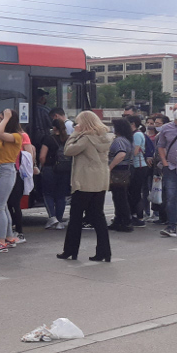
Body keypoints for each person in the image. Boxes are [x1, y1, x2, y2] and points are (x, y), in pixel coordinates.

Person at [58, 111, 112, 262]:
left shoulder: (85, 138)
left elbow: (68, 151)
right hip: (100, 181)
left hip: (84, 182)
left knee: (75, 217)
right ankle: (104, 251)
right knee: (98, 217)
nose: (76, 125)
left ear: (85, 123)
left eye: (78, 122)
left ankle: (70, 250)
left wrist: (74, 134)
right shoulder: (104, 137)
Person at [0, 109, 22, 253]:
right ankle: (9, 237)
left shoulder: (16, 136)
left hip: (7, 170)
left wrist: (6, 117)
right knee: (3, 206)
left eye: (1, 118)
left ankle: (1, 242)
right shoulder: (5, 137)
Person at [156, 102, 177, 238]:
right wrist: (164, 162)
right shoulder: (166, 128)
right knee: (171, 198)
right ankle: (171, 226)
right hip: (171, 168)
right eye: (176, 108)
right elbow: (161, 146)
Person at [39, 115, 70, 230]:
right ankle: (60, 220)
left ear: (54, 128)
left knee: (48, 194)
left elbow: (42, 156)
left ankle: (52, 218)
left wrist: (43, 166)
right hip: (65, 170)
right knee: (61, 196)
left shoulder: (49, 139)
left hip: (50, 169)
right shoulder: (67, 139)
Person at [108, 118, 134, 233]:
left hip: (118, 171)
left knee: (120, 198)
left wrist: (109, 167)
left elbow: (121, 154)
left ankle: (125, 221)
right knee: (119, 197)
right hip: (123, 171)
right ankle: (119, 220)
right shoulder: (126, 140)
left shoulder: (119, 141)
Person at [127, 115, 149, 226]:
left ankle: (139, 216)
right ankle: (133, 215)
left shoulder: (137, 134)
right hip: (135, 166)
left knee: (135, 192)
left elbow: (135, 152)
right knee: (132, 191)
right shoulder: (133, 134)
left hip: (139, 166)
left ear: (133, 124)